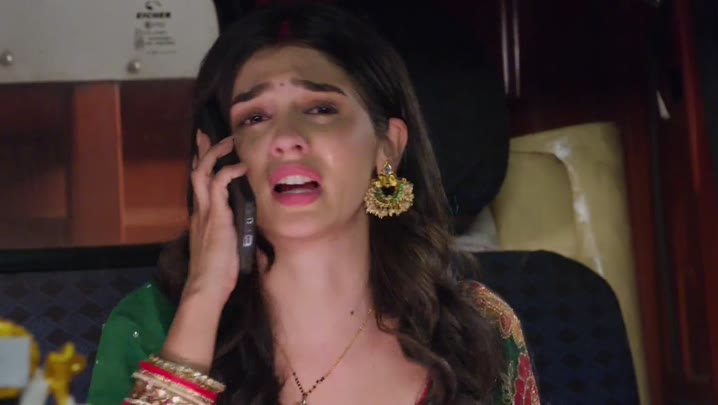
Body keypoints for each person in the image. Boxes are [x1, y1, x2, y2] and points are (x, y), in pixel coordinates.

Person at [88, 4, 539, 404]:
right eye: (255, 117)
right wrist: (203, 300)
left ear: (387, 147)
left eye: (321, 109)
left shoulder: (478, 327)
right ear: (218, 157)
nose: (286, 138)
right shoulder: (152, 324)